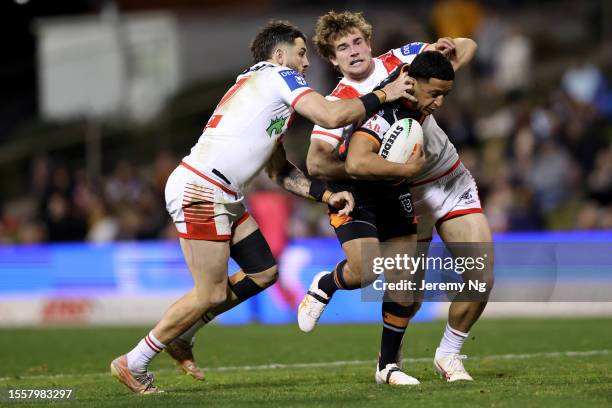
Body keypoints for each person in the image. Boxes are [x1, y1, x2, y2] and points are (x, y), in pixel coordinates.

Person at [109, 19, 415, 394]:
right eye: (302, 54)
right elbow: (333, 115)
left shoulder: (262, 93)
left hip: (223, 193)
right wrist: (385, 94)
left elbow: (279, 171)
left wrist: (324, 195)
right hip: (202, 190)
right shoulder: (277, 77)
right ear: (280, 53)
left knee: (263, 272)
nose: (306, 64)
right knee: (210, 292)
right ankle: (134, 360)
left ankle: (183, 334)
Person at [300, 11, 493, 384]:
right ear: (331, 58)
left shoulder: (402, 59)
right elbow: (317, 162)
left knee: (481, 276)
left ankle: (449, 355)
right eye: (343, 47)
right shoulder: (338, 103)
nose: (354, 51)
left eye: (358, 41)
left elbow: (465, 49)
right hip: (404, 193)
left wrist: (452, 47)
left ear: (369, 41)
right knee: (408, 293)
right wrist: (372, 166)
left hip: (449, 178)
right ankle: (388, 362)